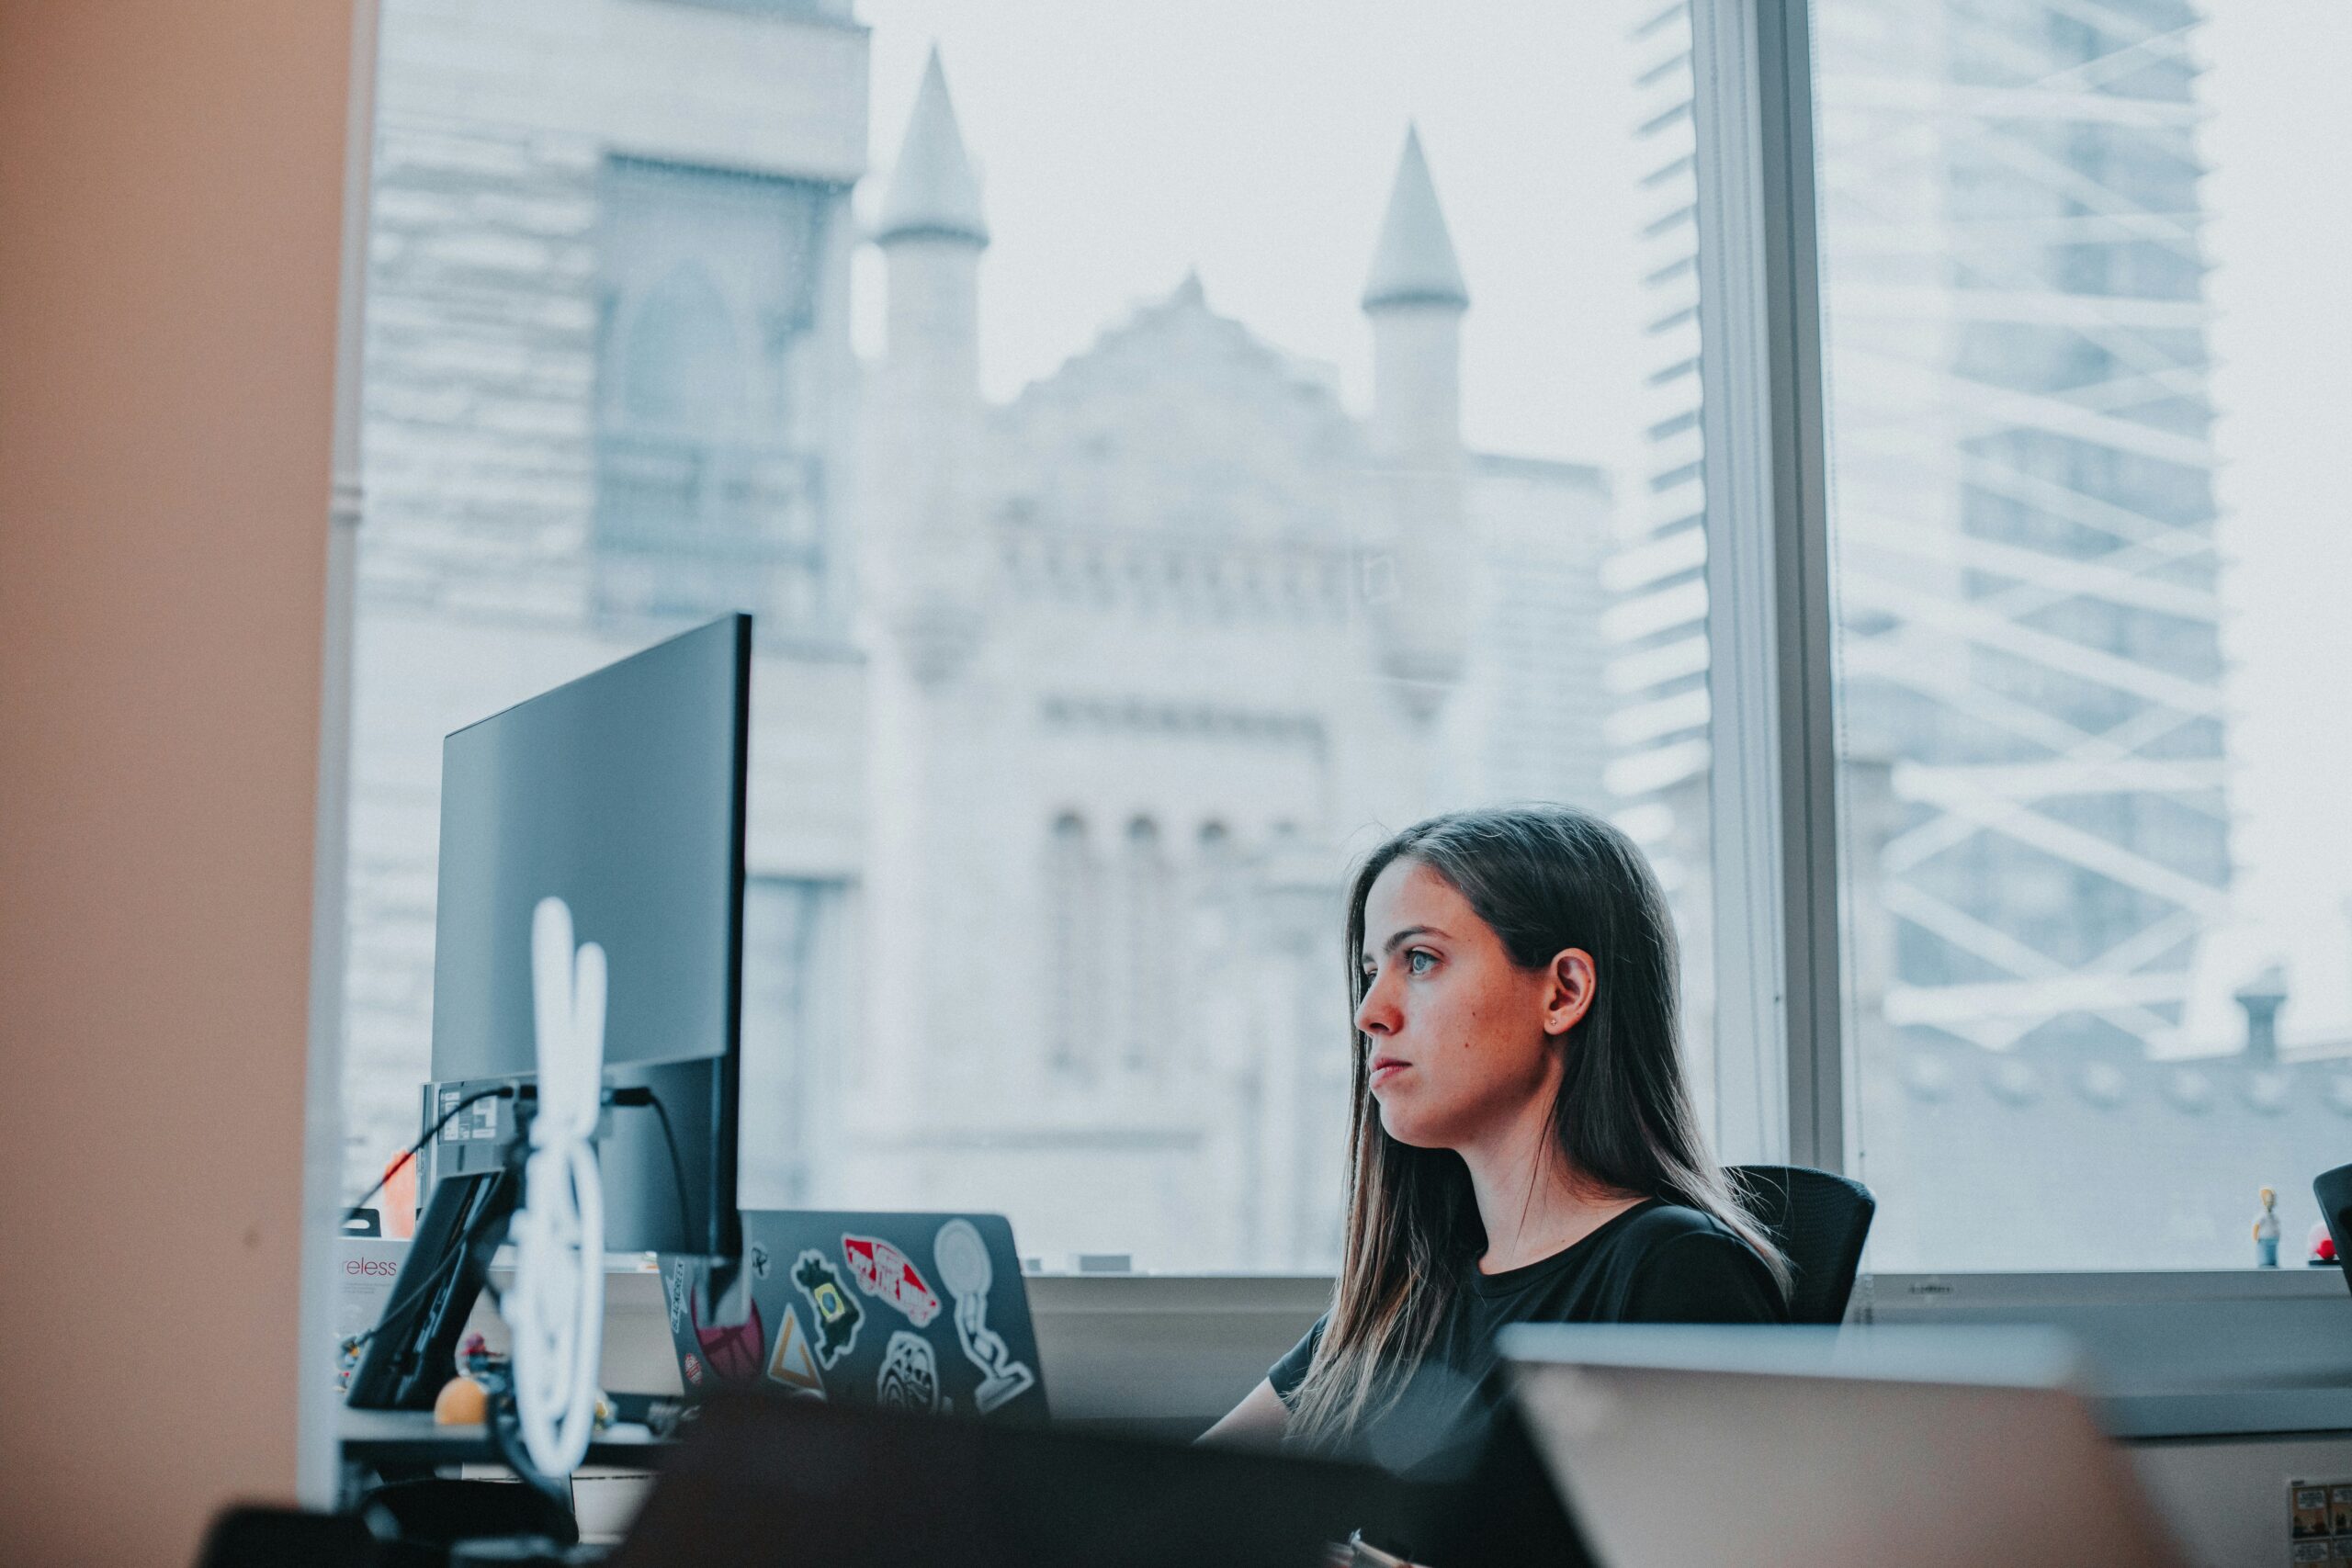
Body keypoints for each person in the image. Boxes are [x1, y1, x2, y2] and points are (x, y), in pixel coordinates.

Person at [1202, 805, 1789, 1477]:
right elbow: (1185, 1497)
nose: (1369, 1011)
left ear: (1563, 992)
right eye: (1371, 970)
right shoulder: (1412, 1290)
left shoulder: (1677, 1275)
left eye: (1419, 959)